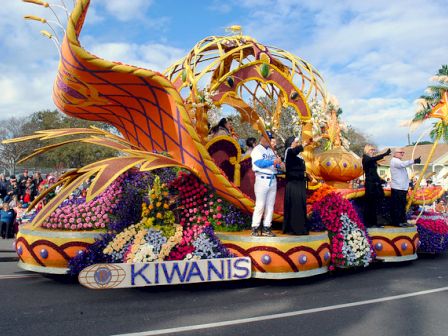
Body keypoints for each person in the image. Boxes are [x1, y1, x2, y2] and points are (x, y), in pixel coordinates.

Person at [250, 132, 282, 237]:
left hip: (272, 179)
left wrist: (278, 164)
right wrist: (273, 162)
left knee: (270, 206)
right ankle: (255, 227)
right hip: (262, 178)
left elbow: (276, 166)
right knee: (260, 205)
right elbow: (259, 163)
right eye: (267, 137)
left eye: (270, 138)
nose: (269, 140)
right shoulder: (257, 149)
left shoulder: (271, 151)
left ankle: (266, 227)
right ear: (262, 138)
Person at [283, 136, 311, 235]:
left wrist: (306, 176)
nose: (297, 144)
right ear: (291, 143)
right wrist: (304, 144)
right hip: (293, 183)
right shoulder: (289, 151)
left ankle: (301, 227)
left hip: (300, 182)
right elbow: (294, 151)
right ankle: (295, 228)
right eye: (296, 142)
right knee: (295, 205)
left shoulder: (298, 155)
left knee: (300, 205)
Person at [362, 144, 391, 228]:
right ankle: (370, 223)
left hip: (375, 183)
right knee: (370, 203)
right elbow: (373, 159)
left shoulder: (372, 160)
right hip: (370, 184)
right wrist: (384, 154)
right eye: (371, 150)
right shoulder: (366, 158)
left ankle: (376, 222)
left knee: (376, 203)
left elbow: (374, 173)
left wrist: (382, 180)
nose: (373, 151)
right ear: (367, 150)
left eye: (374, 150)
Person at [390, 148, 420, 227]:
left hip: (402, 188)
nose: (402, 154)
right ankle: (397, 222)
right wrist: (413, 161)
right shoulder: (394, 161)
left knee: (402, 206)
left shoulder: (398, 161)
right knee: (397, 206)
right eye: (400, 152)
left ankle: (402, 221)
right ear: (395, 153)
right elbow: (402, 164)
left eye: (403, 152)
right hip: (397, 188)